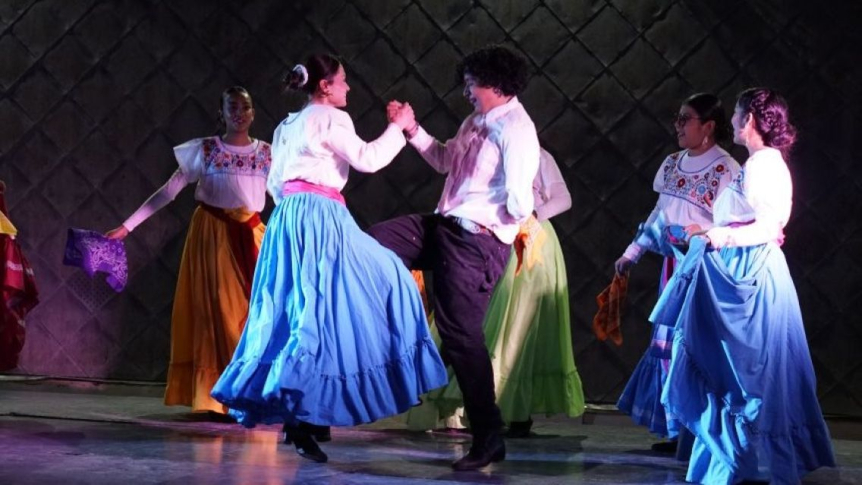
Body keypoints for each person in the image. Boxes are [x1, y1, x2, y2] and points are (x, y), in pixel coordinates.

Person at [210, 54, 448, 464]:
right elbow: (369, 159)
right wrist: (399, 126)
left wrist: (295, 212)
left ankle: (302, 413)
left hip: (288, 218)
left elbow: (274, 184)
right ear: (325, 86)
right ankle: (303, 414)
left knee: (300, 312)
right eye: (343, 81)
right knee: (380, 282)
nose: (347, 88)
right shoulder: (332, 119)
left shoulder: (286, 125)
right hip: (320, 216)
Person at [369, 45, 540, 471]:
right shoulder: (474, 121)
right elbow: (445, 160)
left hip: (474, 240)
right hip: (443, 226)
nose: (466, 92)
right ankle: (398, 340)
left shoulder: (517, 129)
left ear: (496, 84)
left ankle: (488, 436)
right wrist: (411, 129)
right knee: (373, 243)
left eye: (471, 84)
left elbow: (521, 201)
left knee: (462, 338)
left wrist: (491, 224)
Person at [656, 87, 835, 484]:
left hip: (751, 273)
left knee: (746, 373)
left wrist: (721, 237)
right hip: (737, 267)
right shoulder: (758, 163)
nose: (733, 122)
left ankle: (745, 462)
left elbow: (769, 225)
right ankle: (731, 463)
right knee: (734, 371)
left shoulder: (764, 165)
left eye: (737, 114)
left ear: (749, 119)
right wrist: (709, 231)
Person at [106, 87, 270, 417]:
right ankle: (217, 396)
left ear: (253, 113)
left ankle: (250, 390)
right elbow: (168, 192)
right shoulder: (206, 150)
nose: (239, 113)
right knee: (217, 314)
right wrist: (127, 226)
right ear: (222, 113)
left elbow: (284, 193)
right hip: (213, 237)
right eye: (232, 107)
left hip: (252, 235)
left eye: (245, 107)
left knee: (254, 313)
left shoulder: (267, 153)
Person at [413, 149, 585, 437]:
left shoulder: (537, 156)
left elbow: (562, 198)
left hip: (529, 245)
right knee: (470, 319)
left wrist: (532, 216)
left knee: (517, 330)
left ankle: (515, 412)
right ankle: (468, 407)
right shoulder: (480, 152)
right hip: (484, 238)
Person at [613, 93, 740, 450]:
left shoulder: (726, 169)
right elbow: (660, 212)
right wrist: (633, 251)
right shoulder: (672, 163)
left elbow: (731, 222)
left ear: (708, 126)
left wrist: (700, 235)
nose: (678, 125)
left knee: (696, 348)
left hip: (704, 270)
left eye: (686, 119)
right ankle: (677, 429)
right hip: (674, 268)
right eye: (678, 118)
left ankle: (701, 432)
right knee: (668, 346)